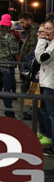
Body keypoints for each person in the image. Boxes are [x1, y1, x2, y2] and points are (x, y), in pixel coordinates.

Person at [36, 20, 54, 155]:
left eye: (48, 29)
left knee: (52, 115)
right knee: (48, 113)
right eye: (44, 30)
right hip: (47, 82)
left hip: (50, 84)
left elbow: (41, 58)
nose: (45, 32)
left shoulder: (52, 46)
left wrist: (41, 41)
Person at [18, 12, 40, 92]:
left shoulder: (35, 32)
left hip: (28, 63)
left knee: (26, 83)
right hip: (27, 62)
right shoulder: (31, 31)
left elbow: (33, 48)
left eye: (22, 22)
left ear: (29, 21)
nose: (21, 25)